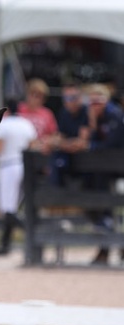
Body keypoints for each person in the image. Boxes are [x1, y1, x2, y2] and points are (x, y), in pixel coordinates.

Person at [75, 83, 124, 264]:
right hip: (100, 171)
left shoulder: (115, 115)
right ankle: (107, 246)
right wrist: (93, 124)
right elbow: (91, 141)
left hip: (116, 172)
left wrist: (89, 145)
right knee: (92, 204)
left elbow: (111, 145)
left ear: (106, 100)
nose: (94, 104)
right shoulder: (94, 116)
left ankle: (109, 248)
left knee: (108, 209)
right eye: (91, 101)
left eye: (98, 100)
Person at [0, 99, 38, 256]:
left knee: (7, 209)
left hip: (8, 165)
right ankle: (5, 244)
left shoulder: (3, 125)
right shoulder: (26, 123)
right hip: (24, 165)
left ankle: (32, 232)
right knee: (14, 207)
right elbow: (32, 145)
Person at [49, 83, 89, 186]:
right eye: (67, 98)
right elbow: (59, 137)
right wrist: (62, 144)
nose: (70, 101)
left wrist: (61, 144)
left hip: (87, 160)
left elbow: (82, 142)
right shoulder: (64, 113)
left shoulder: (86, 112)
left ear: (80, 97)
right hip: (68, 157)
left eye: (73, 97)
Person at [17, 78, 58, 154]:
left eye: (39, 96)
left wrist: (48, 141)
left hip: (39, 153)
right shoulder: (18, 110)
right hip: (20, 151)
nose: (35, 99)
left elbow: (55, 136)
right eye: (33, 94)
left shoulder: (47, 114)